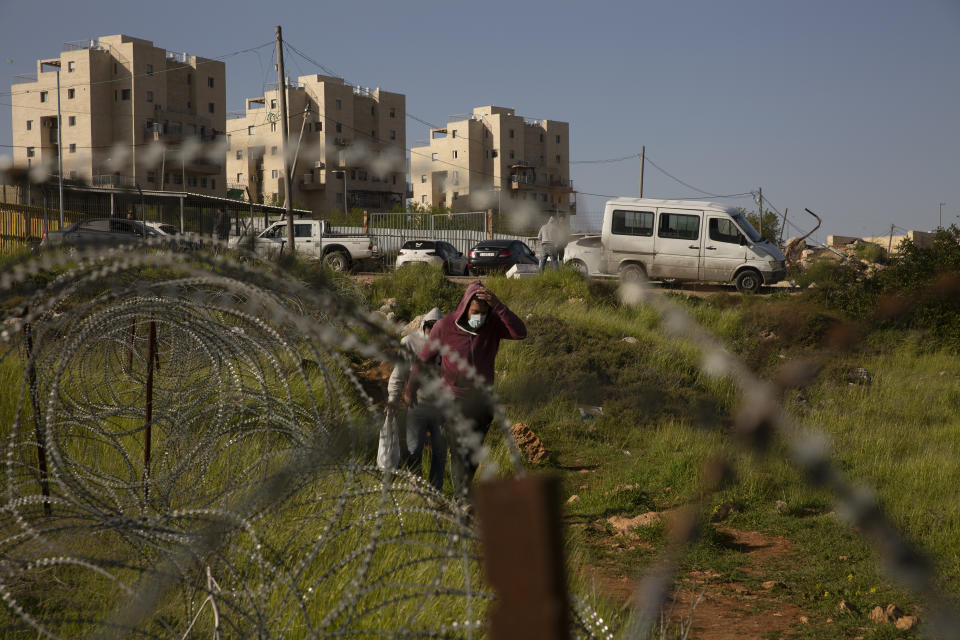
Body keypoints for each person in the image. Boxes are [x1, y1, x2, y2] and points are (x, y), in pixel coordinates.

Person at [404, 283, 526, 498]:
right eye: (475, 312)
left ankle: (463, 495)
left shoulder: (492, 325)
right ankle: (463, 501)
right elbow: (423, 359)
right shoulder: (445, 327)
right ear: (464, 308)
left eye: (484, 312)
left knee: (472, 454)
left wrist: (498, 306)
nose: (479, 316)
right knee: (460, 450)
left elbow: (520, 333)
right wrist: (410, 388)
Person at [383, 308, 446, 490]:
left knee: (440, 452)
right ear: (425, 327)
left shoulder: (449, 345)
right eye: (431, 330)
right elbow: (399, 373)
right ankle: (414, 489)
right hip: (417, 404)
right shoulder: (409, 343)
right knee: (413, 449)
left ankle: (435, 492)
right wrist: (393, 398)